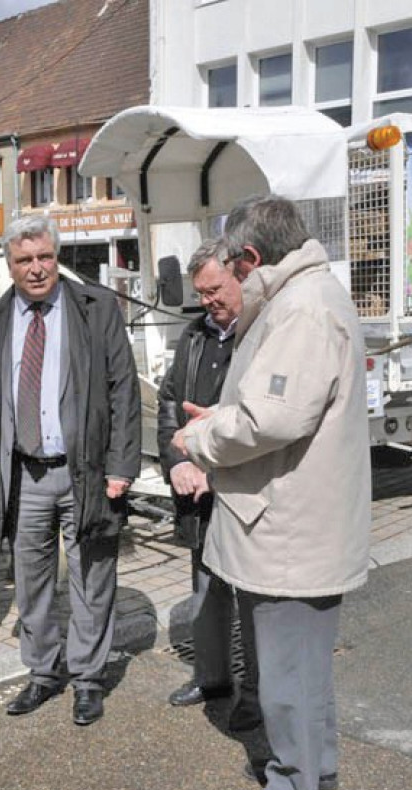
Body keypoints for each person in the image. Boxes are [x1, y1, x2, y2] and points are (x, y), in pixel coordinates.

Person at [173, 196, 371, 790]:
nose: (236, 279)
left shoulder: (302, 310)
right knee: (307, 663)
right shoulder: (313, 295)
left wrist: (202, 438)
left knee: (285, 670)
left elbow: (273, 418)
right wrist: (227, 420)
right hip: (303, 516)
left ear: (253, 257)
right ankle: (321, 763)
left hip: (286, 524)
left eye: (237, 265)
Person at [0, 215, 140, 727]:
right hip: (23, 475)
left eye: (45, 257)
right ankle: (42, 671)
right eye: (25, 260)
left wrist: (121, 466)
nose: (37, 269)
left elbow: (123, 390)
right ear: (9, 264)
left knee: (91, 574)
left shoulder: (96, 308)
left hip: (86, 470)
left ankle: (87, 677)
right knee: (31, 580)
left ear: (56, 257)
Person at [156, 239, 262, 734]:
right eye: (201, 293)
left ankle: (258, 695)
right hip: (197, 493)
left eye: (215, 289)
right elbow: (170, 402)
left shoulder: (264, 333)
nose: (208, 301)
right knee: (206, 593)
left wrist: (215, 463)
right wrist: (178, 461)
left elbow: (264, 420)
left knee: (253, 600)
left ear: (239, 276)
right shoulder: (194, 336)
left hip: (244, 489)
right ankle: (213, 677)